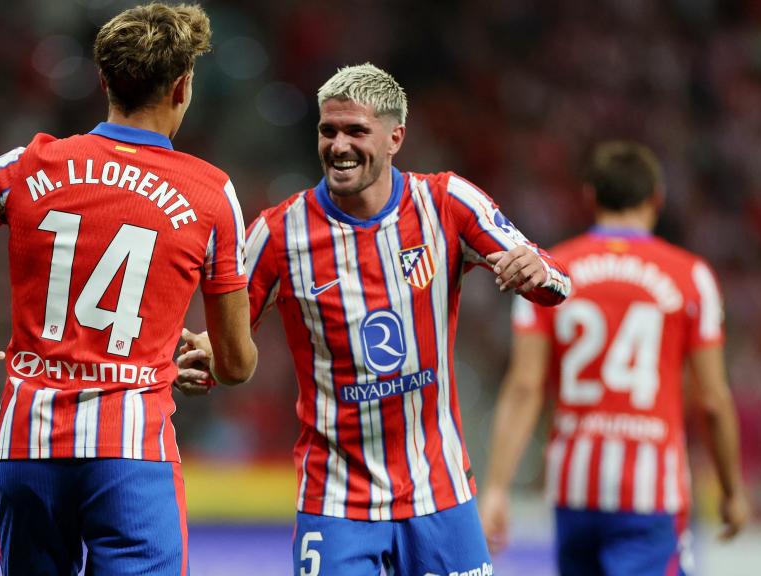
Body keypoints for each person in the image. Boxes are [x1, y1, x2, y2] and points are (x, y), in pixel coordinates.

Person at [0, 3, 257, 575]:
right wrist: (211, 355)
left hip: (27, 449)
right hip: (131, 455)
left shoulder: (28, 165)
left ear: (104, 80)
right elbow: (235, 364)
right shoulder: (210, 194)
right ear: (182, 87)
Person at [176, 63, 571, 576]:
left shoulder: (447, 202)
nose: (338, 145)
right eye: (328, 130)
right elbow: (227, 340)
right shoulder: (278, 234)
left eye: (355, 131)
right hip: (336, 500)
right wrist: (204, 361)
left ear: (394, 138)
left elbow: (555, 279)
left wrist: (538, 272)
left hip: (439, 491)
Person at [478, 141, 749, 575]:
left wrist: (496, 488)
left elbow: (525, 386)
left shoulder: (548, 271)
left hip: (574, 485)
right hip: (651, 491)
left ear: (590, 196)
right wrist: (732, 490)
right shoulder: (691, 276)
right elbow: (714, 398)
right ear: (656, 199)